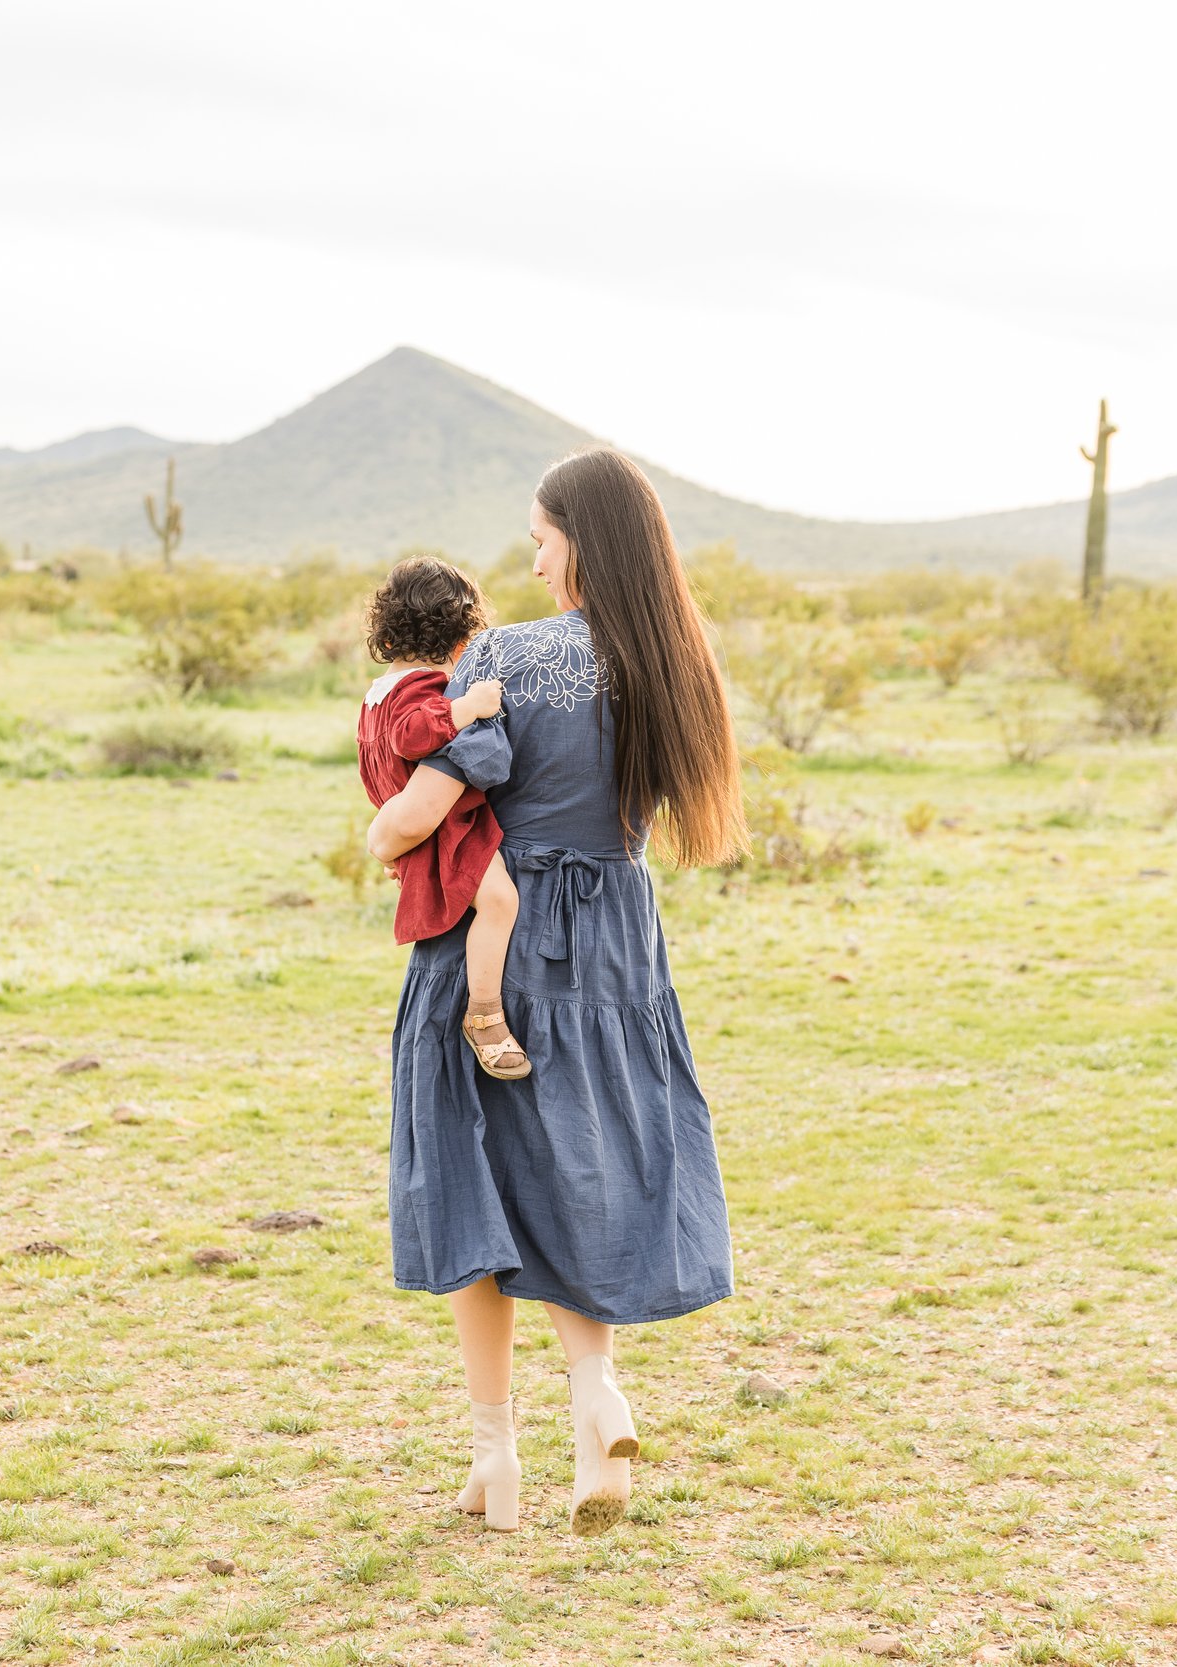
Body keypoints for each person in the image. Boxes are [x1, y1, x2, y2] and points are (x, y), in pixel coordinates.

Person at [367, 447, 744, 1535]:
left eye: (539, 538)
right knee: (582, 1161)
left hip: (504, 927)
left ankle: (496, 1457)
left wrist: (389, 822)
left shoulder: (508, 656)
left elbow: (443, 796)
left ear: (581, 535)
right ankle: (595, 1395)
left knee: (470, 1181)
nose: (530, 562)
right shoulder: (676, 663)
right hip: (618, 942)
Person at [355, 557, 529, 1078]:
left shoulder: (377, 692)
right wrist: (470, 706)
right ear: (457, 635)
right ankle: (484, 1014)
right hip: (447, 826)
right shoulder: (421, 689)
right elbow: (413, 735)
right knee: (500, 902)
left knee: (491, 904)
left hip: (411, 818)